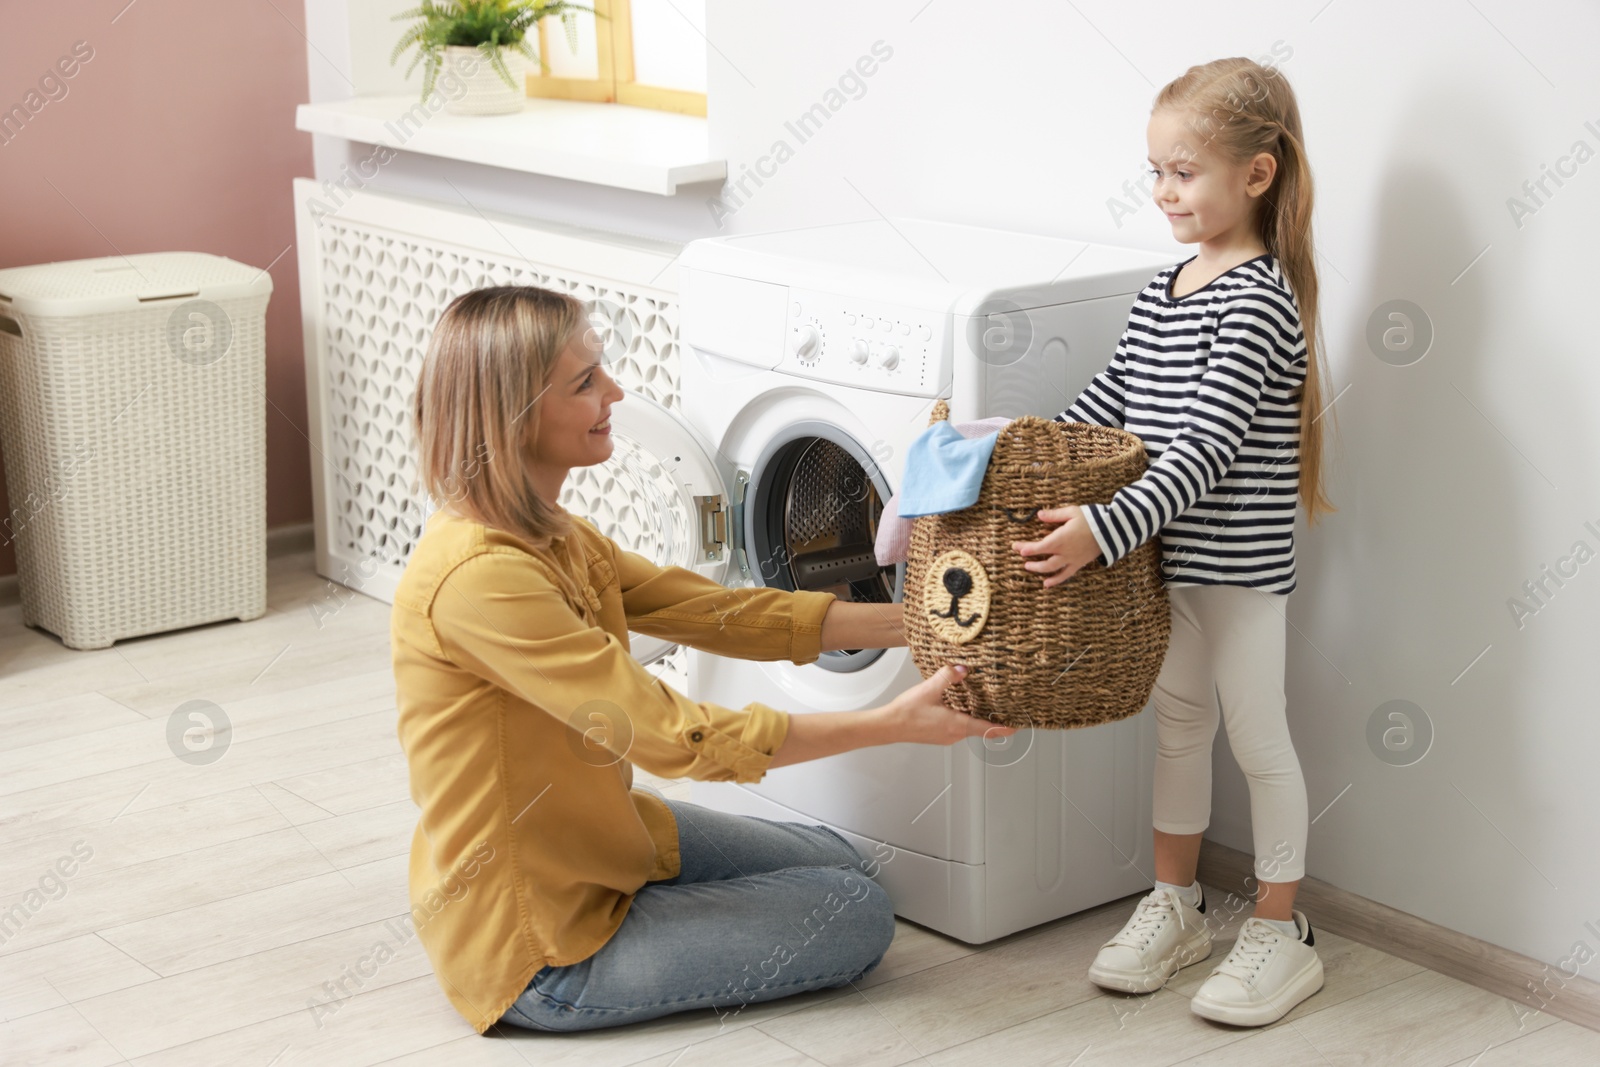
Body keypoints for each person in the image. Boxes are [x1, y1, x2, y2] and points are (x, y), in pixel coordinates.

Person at [391, 285, 1014, 1035]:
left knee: (841, 860)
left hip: (602, 835)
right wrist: (893, 722)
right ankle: (637, 931)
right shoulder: (481, 578)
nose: (615, 392)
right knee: (856, 912)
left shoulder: (554, 533)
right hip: (543, 941)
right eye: (585, 382)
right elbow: (672, 736)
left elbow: (719, 612)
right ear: (515, 414)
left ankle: (663, 904)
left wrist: (922, 625)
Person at [1009, 57, 1339, 1027]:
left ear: (1256, 174)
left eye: (1182, 172)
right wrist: (1022, 445)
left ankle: (1280, 925)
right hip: (1164, 567)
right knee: (1180, 725)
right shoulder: (1166, 289)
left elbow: (1200, 449)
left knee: (1257, 736)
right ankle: (1178, 904)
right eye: (1154, 171)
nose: (1162, 192)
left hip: (1233, 571)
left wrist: (1100, 530)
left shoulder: (1258, 302)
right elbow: (1111, 407)